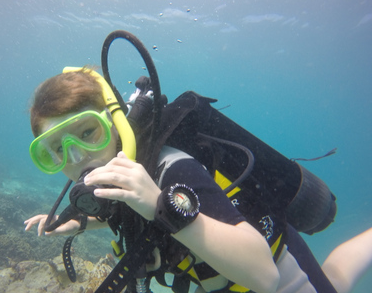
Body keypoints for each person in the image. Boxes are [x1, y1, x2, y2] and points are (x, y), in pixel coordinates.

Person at [24, 67, 372, 293]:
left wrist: (160, 205)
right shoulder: (125, 178)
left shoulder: (172, 169)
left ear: (115, 124)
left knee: (335, 283)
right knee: (339, 277)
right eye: (54, 150)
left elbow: (265, 277)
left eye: (88, 132)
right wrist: (83, 223)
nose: (76, 156)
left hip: (289, 281)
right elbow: (135, 216)